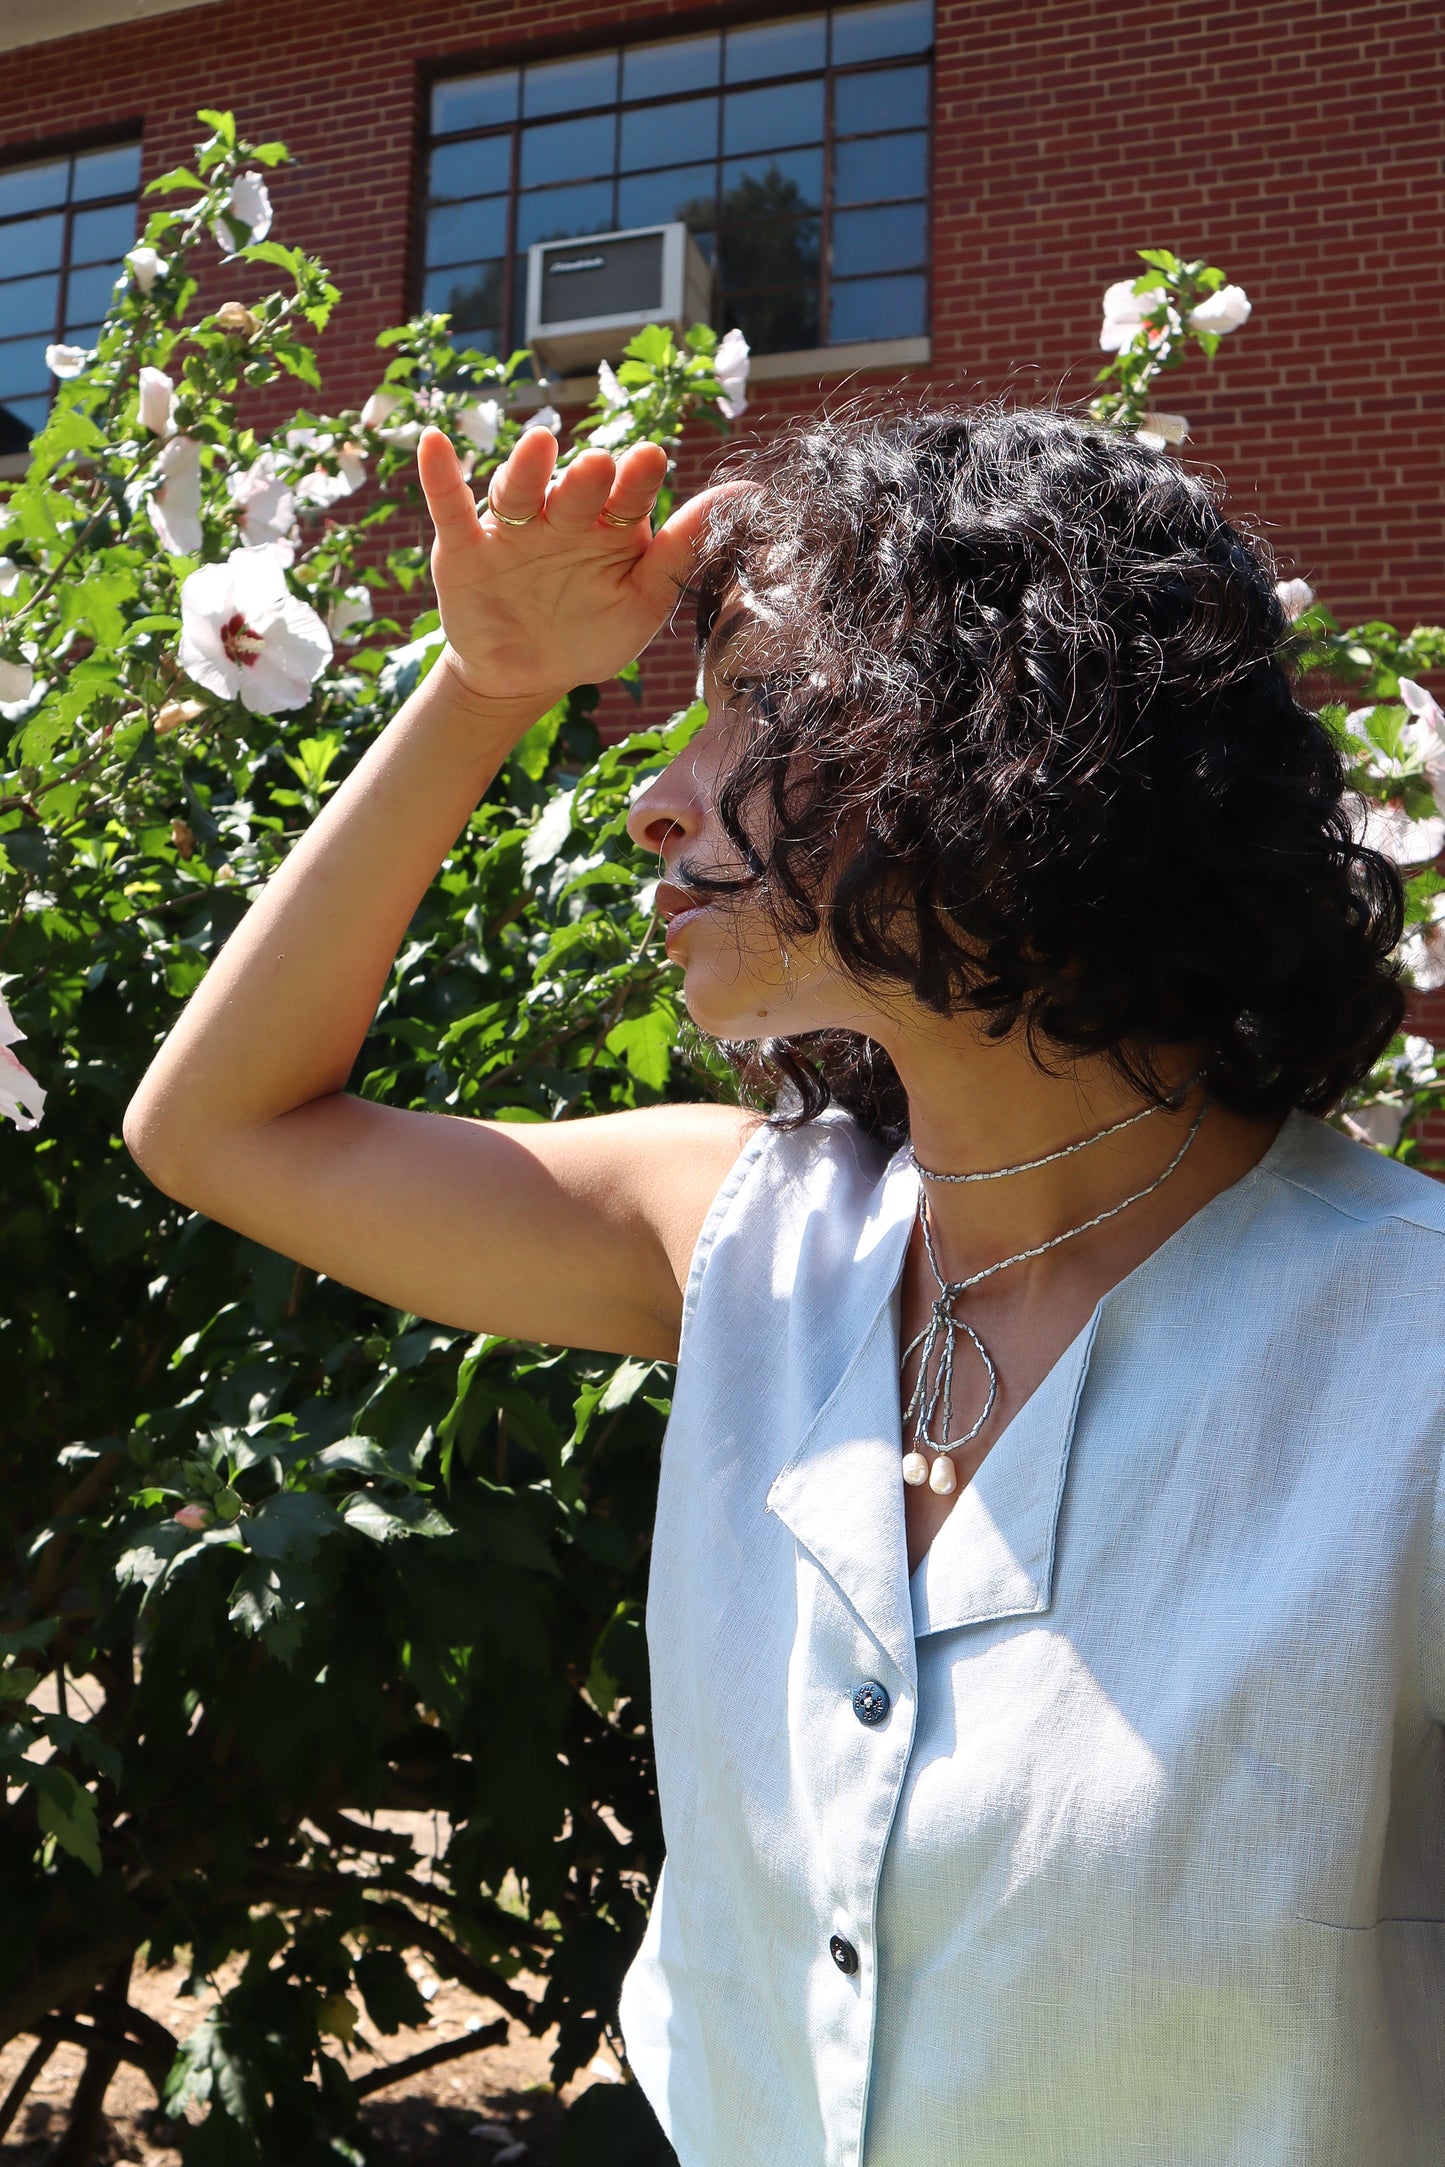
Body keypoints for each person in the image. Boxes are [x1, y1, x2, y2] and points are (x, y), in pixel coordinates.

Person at [125, 403, 1445, 2166]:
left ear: (1014, 734)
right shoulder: (744, 1232)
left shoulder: (1406, 1365)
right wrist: (488, 679)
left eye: (750, 709)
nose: (655, 803)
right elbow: (217, 1126)